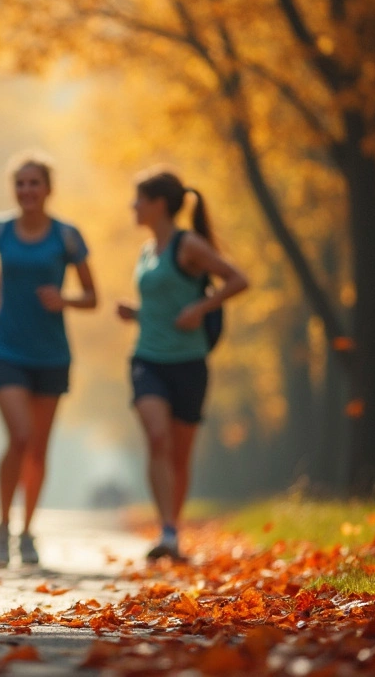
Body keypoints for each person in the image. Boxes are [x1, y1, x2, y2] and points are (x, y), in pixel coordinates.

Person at [116, 170, 248, 560]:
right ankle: (167, 532)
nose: (133, 206)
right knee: (158, 439)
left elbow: (237, 279)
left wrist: (201, 308)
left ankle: (173, 530)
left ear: (158, 204)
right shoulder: (145, 250)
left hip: (189, 362)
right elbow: (162, 305)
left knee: (180, 455)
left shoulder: (187, 244)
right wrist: (138, 314)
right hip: (147, 359)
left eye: (138, 199)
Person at [0, 154, 97, 567]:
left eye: (34, 183)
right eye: (21, 184)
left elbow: (91, 296)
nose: (27, 190)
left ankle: (27, 531)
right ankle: (1, 526)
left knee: (39, 448)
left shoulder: (67, 236)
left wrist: (63, 299)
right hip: (6, 349)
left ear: (48, 188)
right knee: (20, 434)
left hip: (50, 352)